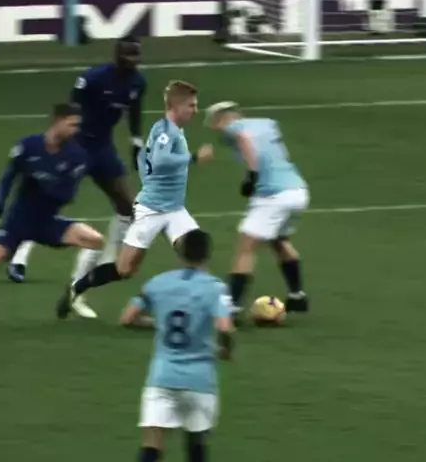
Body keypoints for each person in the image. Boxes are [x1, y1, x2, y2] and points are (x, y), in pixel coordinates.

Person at [9, 36, 146, 319]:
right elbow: (70, 109)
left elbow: (134, 111)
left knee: (127, 205)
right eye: (128, 56)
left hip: (103, 148)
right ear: (117, 56)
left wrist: (135, 140)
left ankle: (83, 282)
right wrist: (61, 145)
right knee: (48, 202)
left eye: (136, 56)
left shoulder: (137, 82)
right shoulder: (93, 78)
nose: (132, 61)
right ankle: (20, 254)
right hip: (78, 145)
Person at [56, 80, 213, 320]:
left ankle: (209, 308)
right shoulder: (165, 132)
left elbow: (146, 161)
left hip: (174, 210)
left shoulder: (174, 131)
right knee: (124, 269)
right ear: (175, 106)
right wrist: (192, 158)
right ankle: (77, 288)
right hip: (151, 211)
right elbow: (160, 160)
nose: (195, 110)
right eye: (191, 105)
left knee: (195, 252)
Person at [119, 229, 234, 462]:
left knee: (152, 446)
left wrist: (158, 324)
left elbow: (127, 318)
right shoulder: (215, 288)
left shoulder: (157, 283)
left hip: (162, 377)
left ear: (180, 252)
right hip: (200, 380)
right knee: (196, 445)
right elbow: (225, 328)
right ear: (208, 254)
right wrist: (226, 350)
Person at [204, 101, 310, 321]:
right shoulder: (267, 124)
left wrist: (252, 175)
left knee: (246, 247)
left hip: (274, 194)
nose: (215, 128)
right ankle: (297, 296)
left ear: (222, 119)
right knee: (279, 240)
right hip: (297, 190)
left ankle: (232, 307)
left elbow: (244, 139)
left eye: (214, 123)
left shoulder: (232, 128)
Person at [0, 103, 104, 270]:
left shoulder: (77, 156)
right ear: (58, 120)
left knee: (95, 240)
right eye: (72, 125)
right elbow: (9, 177)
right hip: (18, 221)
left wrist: (45, 181)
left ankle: (77, 285)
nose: (75, 130)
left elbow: (66, 195)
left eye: (78, 126)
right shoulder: (28, 145)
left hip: (47, 222)